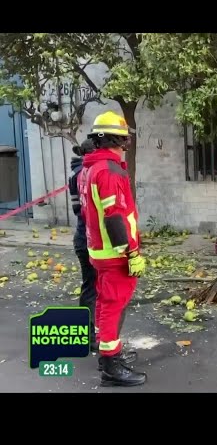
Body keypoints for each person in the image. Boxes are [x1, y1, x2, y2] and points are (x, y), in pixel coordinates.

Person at [78, 111, 147, 387]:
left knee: (107, 304)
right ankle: (110, 365)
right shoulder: (108, 171)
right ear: (118, 141)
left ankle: (110, 353)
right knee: (112, 307)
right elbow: (114, 216)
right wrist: (130, 252)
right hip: (114, 253)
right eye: (123, 141)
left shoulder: (91, 168)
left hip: (101, 250)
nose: (124, 146)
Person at [69, 139, 98, 352]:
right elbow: (86, 213)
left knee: (90, 287)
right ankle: (89, 336)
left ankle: (89, 334)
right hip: (88, 239)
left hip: (82, 238)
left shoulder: (76, 174)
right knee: (92, 288)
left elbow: (77, 210)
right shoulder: (85, 175)